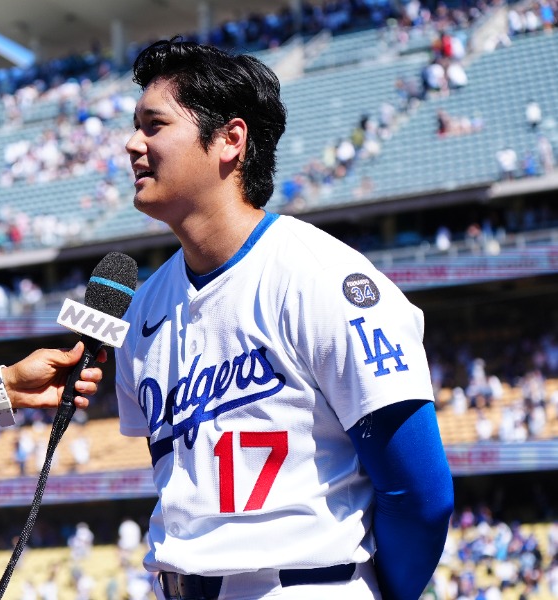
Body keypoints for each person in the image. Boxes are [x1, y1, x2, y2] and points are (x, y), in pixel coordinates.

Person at [115, 39, 454, 600]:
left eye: (154, 125)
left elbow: (419, 494)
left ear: (231, 140)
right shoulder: (143, 308)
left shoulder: (321, 276)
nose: (132, 144)